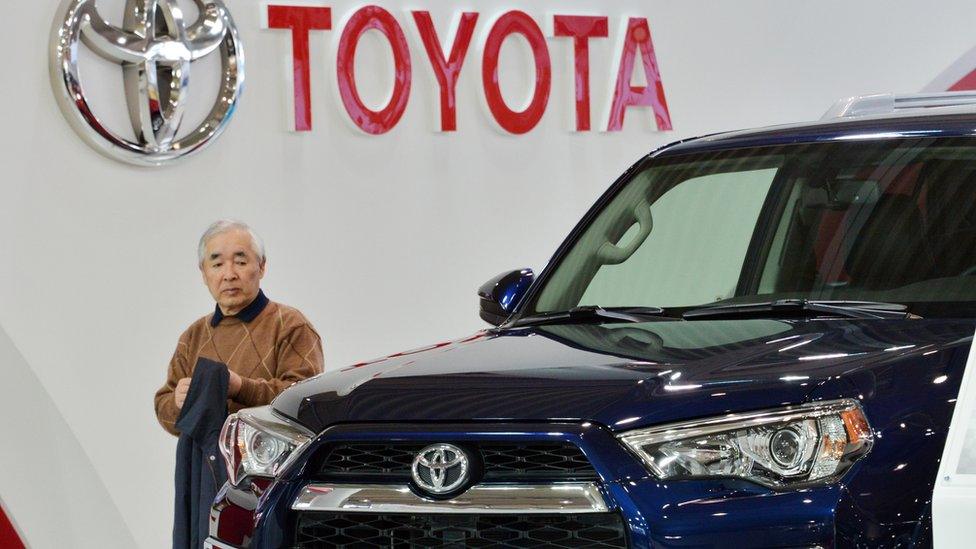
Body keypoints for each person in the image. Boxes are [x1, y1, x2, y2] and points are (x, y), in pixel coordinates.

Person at [154, 220, 324, 436]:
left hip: (270, 465)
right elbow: (164, 406)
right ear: (204, 273)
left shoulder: (291, 325)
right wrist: (177, 403)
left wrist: (241, 388)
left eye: (240, 262)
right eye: (217, 265)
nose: (229, 274)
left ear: (261, 266)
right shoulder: (193, 336)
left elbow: (306, 403)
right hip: (203, 465)